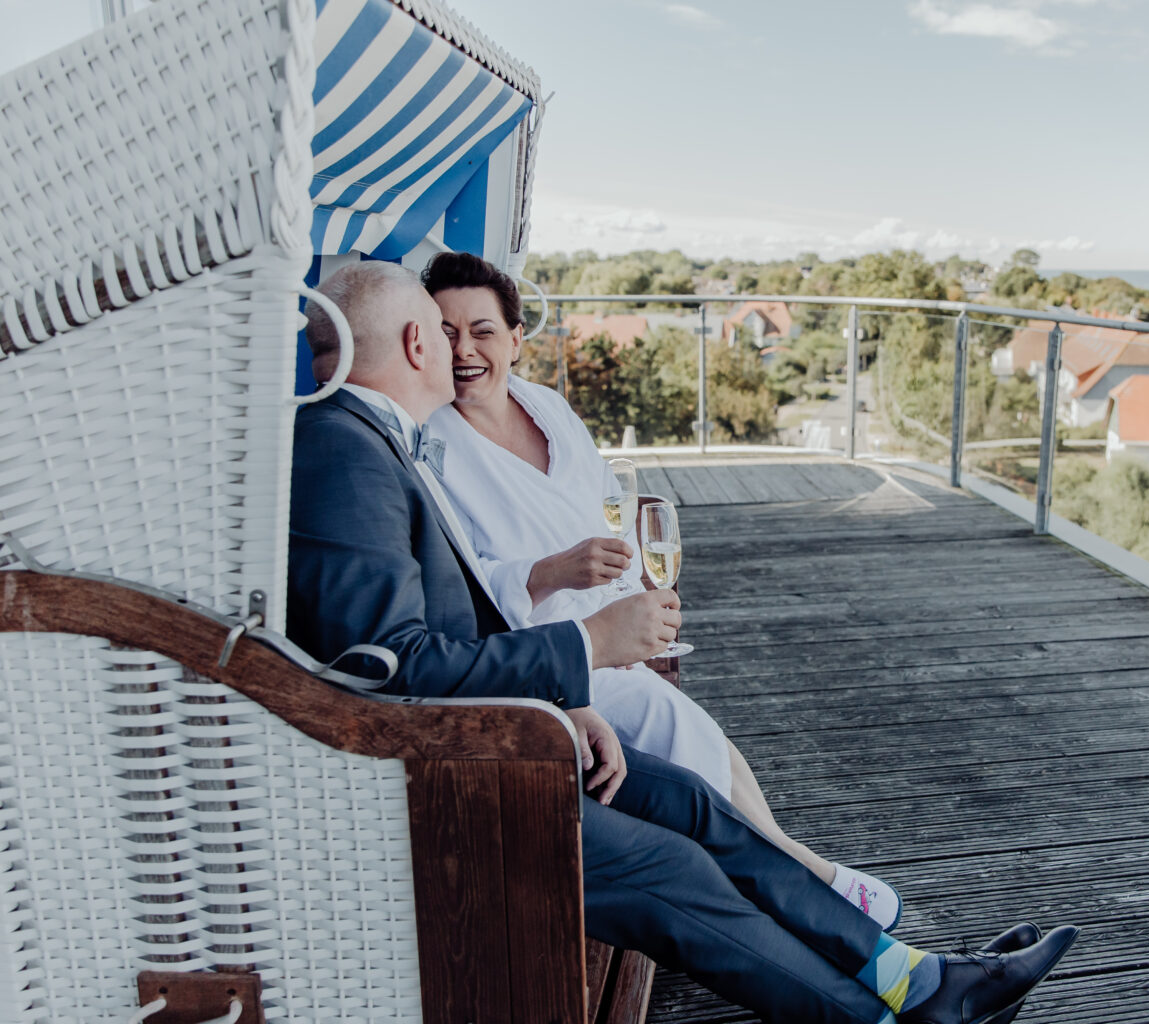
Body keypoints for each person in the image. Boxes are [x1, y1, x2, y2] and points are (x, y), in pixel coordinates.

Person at [288, 260, 1078, 1024]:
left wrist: (554, 704)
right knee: (672, 866)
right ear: (418, 344)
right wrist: (583, 647)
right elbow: (389, 667)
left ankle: (914, 975)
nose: (460, 351)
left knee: (691, 800)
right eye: (439, 327)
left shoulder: (373, 439)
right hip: (457, 781)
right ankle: (895, 1015)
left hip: (500, 733)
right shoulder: (342, 451)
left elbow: (422, 643)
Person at [417, 250, 900, 928]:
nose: (464, 349)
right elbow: (457, 589)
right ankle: (810, 883)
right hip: (549, 653)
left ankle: (804, 874)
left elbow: (610, 502)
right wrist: (553, 573)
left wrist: (641, 588)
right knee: (683, 731)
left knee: (707, 744)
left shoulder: (547, 407)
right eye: (444, 332)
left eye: (482, 330)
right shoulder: (433, 442)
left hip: (612, 623)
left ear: (517, 338)